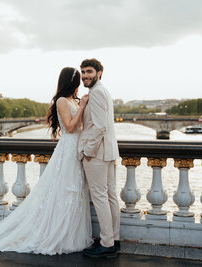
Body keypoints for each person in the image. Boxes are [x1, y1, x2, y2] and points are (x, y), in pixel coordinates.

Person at [0, 67, 92, 255]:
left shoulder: (73, 100)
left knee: (73, 193)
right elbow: (71, 128)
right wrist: (82, 108)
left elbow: (79, 125)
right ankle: (58, 234)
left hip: (75, 150)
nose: (80, 84)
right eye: (78, 80)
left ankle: (69, 233)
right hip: (68, 150)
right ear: (72, 82)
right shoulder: (63, 101)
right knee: (64, 192)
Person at [78, 58, 120, 258]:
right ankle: (114, 238)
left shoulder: (96, 93)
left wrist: (88, 151)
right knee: (110, 197)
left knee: (101, 197)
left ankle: (106, 243)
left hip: (98, 153)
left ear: (99, 72)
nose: (85, 75)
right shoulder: (103, 91)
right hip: (109, 152)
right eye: (83, 72)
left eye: (89, 71)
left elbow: (99, 126)